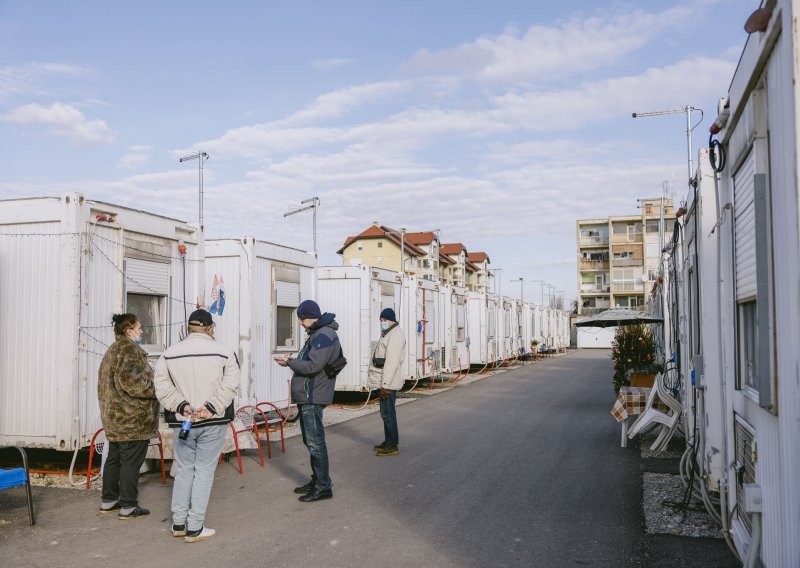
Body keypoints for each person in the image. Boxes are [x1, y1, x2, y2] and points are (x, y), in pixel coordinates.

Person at [154, 309, 240, 543]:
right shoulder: (224, 352)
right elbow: (231, 384)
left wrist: (181, 406)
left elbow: (161, 386)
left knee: (183, 470)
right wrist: (211, 407)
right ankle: (195, 527)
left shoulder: (169, 354)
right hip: (213, 421)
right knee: (203, 472)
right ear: (210, 329)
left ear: (188, 329)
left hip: (184, 421)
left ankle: (179, 522)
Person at [275, 299, 341, 503]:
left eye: (301, 319)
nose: (301, 324)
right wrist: (294, 360)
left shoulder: (323, 335)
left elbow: (313, 366)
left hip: (313, 394)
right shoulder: (319, 333)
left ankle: (323, 486)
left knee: (315, 442)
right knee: (311, 440)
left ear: (308, 317)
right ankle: (318, 480)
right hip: (309, 394)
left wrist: (290, 362)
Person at [97, 313, 159, 519]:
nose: (142, 331)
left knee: (114, 460)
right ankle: (128, 506)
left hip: (114, 418)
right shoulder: (130, 350)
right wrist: (158, 388)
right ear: (128, 330)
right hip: (133, 419)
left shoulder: (112, 350)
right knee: (131, 462)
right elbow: (136, 385)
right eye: (139, 327)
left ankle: (109, 500)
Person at [368, 308, 406, 457]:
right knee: (386, 413)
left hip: (388, 383)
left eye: (384, 320)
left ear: (391, 320)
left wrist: (385, 385)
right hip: (385, 381)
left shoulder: (395, 335)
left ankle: (392, 445)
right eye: (381, 320)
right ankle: (388, 441)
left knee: (388, 413)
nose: (382, 323)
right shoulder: (389, 333)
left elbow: (391, 362)